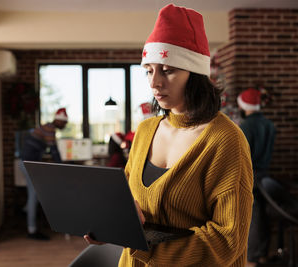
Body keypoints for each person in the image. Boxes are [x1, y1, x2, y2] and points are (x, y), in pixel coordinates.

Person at [85, 4, 254, 266]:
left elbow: (228, 240)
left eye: (168, 70)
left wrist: (151, 251)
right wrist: (108, 225)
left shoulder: (225, 140)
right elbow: (129, 205)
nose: (154, 83)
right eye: (149, 70)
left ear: (195, 73)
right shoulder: (144, 131)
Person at [237, 88, 277, 266]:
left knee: (252, 217)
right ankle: (262, 253)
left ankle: (251, 257)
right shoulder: (269, 125)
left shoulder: (245, 127)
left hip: (249, 176)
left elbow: (241, 156)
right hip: (265, 177)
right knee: (262, 215)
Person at [18, 108, 68, 240]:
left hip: (28, 163)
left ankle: (26, 211)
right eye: (64, 123)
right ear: (59, 121)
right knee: (34, 195)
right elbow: (54, 150)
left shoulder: (46, 127)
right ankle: (32, 230)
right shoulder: (50, 129)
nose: (65, 125)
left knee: (36, 194)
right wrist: (61, 167)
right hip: (28, 164)